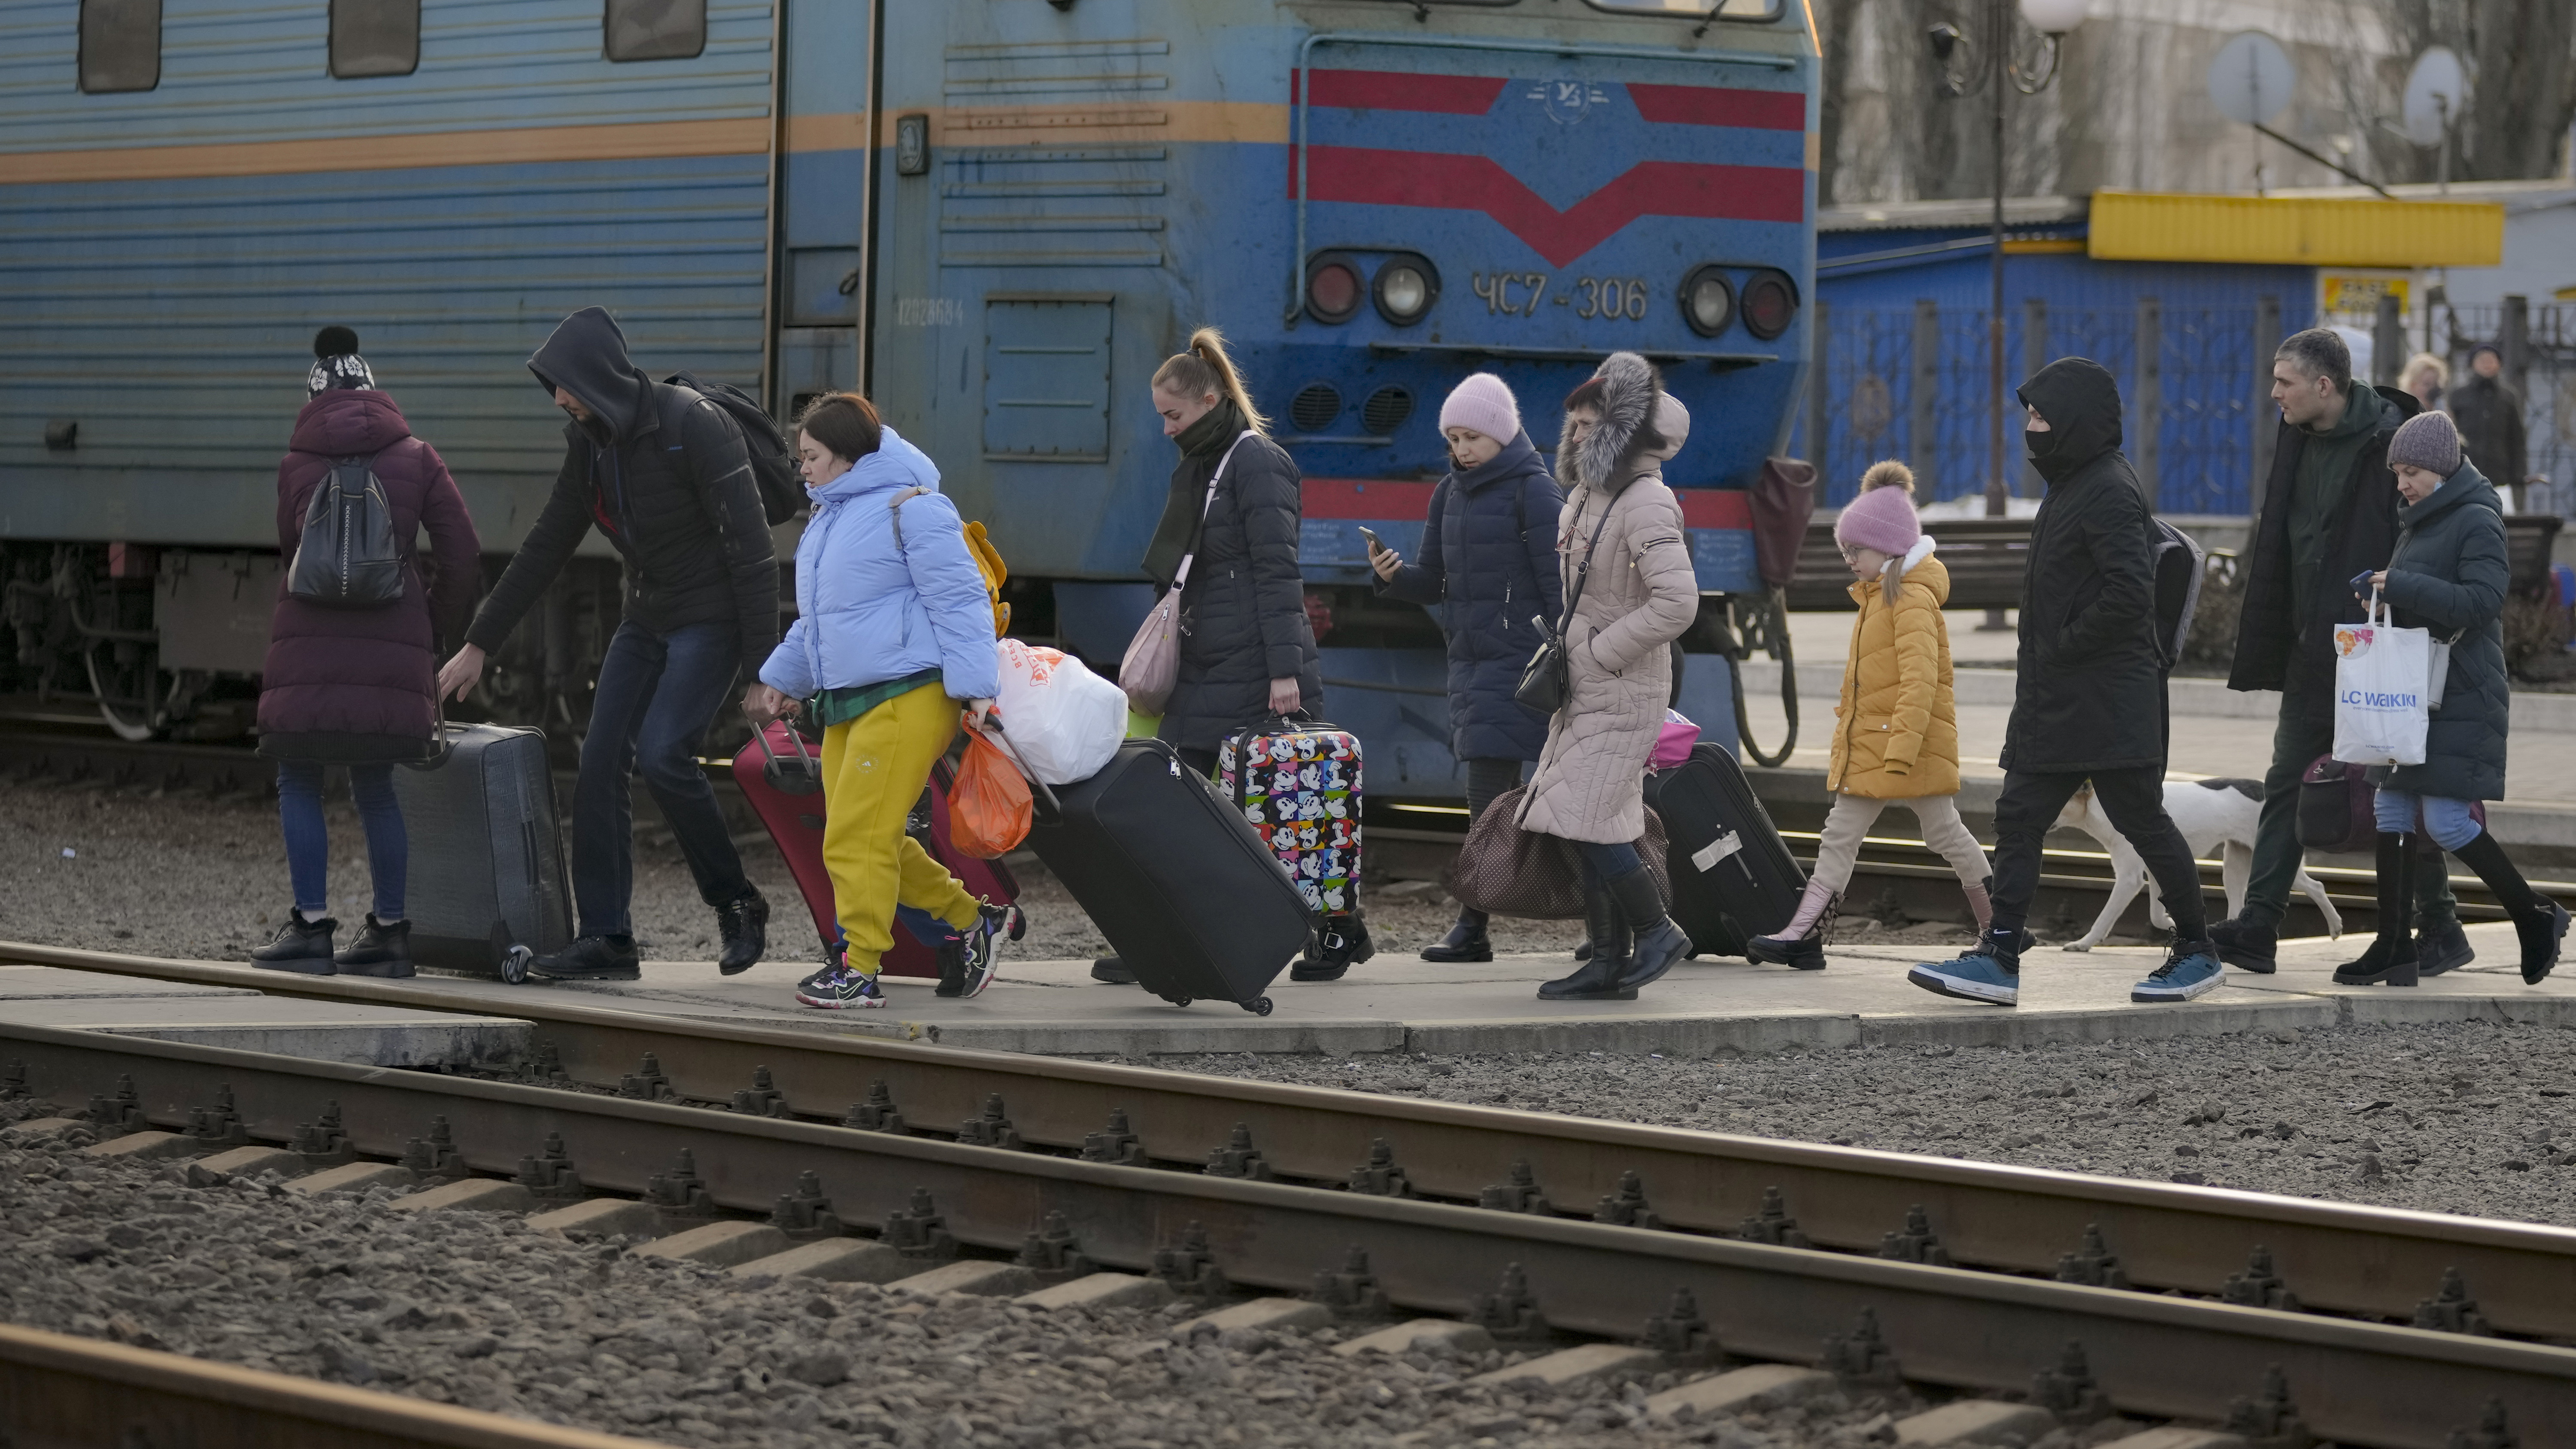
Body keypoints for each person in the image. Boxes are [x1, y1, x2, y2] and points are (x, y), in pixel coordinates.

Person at [435, 307, 777, 981]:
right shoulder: (589, 445)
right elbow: (545, 546)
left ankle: (738, 902)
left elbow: (755, 553)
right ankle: (608, 939)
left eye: (564, 385)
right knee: (597, 762)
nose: (559, 399)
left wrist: (763, 670)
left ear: (597, 378)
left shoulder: (693, 426)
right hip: (646, 616)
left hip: (711, 617)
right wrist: (479, 642)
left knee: (663, 752)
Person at [1908, 358, 2222, 1008]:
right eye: (2028, 414)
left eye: (2042, 416)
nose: (2030, 427)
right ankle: (1999, 952)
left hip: (2105, 695)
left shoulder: (2106, 487)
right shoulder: (2073, 483)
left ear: (2075, 421)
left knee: (2140, 818)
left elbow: (2128, 591)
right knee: (2019, 814)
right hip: (2062, 695)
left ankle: (2196, 948)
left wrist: (2061, 645)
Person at [738, 394, 1015, 1009]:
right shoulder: (830, 520)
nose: (801, 467)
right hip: (850, 699)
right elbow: (819, 623)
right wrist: (781, 678)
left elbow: (961, 601)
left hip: (910, 693)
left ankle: (859, 968)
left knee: (855, 838)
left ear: (846, 455)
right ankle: (975, 919)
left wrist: (975, 690)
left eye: (811, 455)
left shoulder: (914, 509)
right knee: (865, 834)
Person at [2212, 329, 2461, 975]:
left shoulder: (2395, 441)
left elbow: (2438, 529)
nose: (2273, 394)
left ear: (2324, 385)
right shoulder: (2296, 432)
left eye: (2284, 382)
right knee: (2289, 777)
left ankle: (2440, 924)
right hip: (2310, 645)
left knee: (2395, 784)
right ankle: (2258, 925)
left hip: (2377, 648)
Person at [1096, 328, 1341, 986]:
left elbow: (1277, 568)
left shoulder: (1256, 462)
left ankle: (1335, 932)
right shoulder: (1206, 462)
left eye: (1173, 415)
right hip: (1205, 660)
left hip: (1252, 666)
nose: (1167, 429)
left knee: (1282, 805)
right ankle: (1166, 938)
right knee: (1187, 807)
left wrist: (1284, 669)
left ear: (1209, 400)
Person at [252, 327, 481, 976]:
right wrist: (428, 625)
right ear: (375, 391)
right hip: (390, 652)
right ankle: (388, 933)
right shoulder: (417, 456)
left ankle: (312, 926)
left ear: (315, 399)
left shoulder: (296, 463)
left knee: (299, 774)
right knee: (377, 783)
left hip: (305, 653)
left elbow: (287, 554)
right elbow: (462, 553)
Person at [2337, 412, 2569, 987]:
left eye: (2411, 471)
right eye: (2398, 472)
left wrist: (2404, 584)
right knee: (2390, 809)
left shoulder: (2475, 518)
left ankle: (2535, 915)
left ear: (2441, 469)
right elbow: (2431, 597)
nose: (2402, 483)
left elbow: (2482, 601)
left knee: (2444, 820)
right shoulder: (2421, 519)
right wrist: (2382, 591)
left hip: (2460, 690)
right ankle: (2393, 944)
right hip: (2416, 690)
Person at [1748, 461, 1991, 970]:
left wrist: (1899, 751)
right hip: (1882, 743)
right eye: (1845, 550)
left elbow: (1921, 682)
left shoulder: (1910, 601)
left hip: (1901, 746)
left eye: (1855, 549)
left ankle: (2000, 927)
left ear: (1888, 546)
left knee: (1932, 833)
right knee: (1876, 832)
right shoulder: (1879, 597)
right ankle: (1804, 935)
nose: (1848, 560)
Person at [1517, 352, 1700, 1002]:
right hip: (1589, 684)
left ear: (1622, 432)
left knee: (1584, 814)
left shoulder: (1647, 502)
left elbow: (1678, 602)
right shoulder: (1590, 494)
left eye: (1588, 422)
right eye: (1571, 421)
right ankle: (1605, 960)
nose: (1572, 433)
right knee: (1599, 819)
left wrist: (1601, 650)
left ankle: (1656, 931)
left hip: (1619, 684)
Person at [1367, 372, 1563, 963]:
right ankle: (1474, 925)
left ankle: (1602, 924)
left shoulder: (1536, 492)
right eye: (1453, 437)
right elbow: (1434, 579)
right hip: (1475, 665)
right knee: (1487, 800)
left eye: (1472, 436)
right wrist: (1393, 577)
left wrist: (1570, 657)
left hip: (1529, 664)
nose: (1461, 449)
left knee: (1564, 801)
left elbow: (1561, 588)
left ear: (1502, 432)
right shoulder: (1447, 493)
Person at [2448, 343, 2528, 509]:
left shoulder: (2508, 397)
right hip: (2465, 476)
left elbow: (2516, 438)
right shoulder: (2458, 395)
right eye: (2482, 359)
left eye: (2492, 360)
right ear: (2472, 364)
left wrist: (2519, 475)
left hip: (2500, 478)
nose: (2487, 363)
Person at [2400, 351, 2449, 415]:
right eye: (2427, 384)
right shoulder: (2401, 413)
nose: (2432, 389)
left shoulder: (2440, 410)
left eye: (2435, 385)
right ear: (2413, 385)